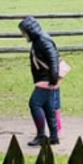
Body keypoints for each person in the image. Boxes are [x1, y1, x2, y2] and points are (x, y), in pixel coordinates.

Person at [19, 16, 63, 146]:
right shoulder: (40, 39)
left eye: (23, 32)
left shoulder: (43, 41)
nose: (23, 35)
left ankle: (41, 135)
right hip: (47, 79)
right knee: (48, 107)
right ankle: (54, 137)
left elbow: (53, 60)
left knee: (35, 104)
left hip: (46, 80)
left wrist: (53, 80)